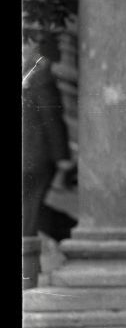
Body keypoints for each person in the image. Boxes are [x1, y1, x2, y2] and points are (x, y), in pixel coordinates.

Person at [22, 37, 73, 239]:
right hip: (35, 156)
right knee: (31, 209)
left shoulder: (31, 76)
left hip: (30, 155)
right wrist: (62, 157)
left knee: (30, 207)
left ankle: (67, 232)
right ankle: (67, 232)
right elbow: (51, 118)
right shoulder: (41, 77)